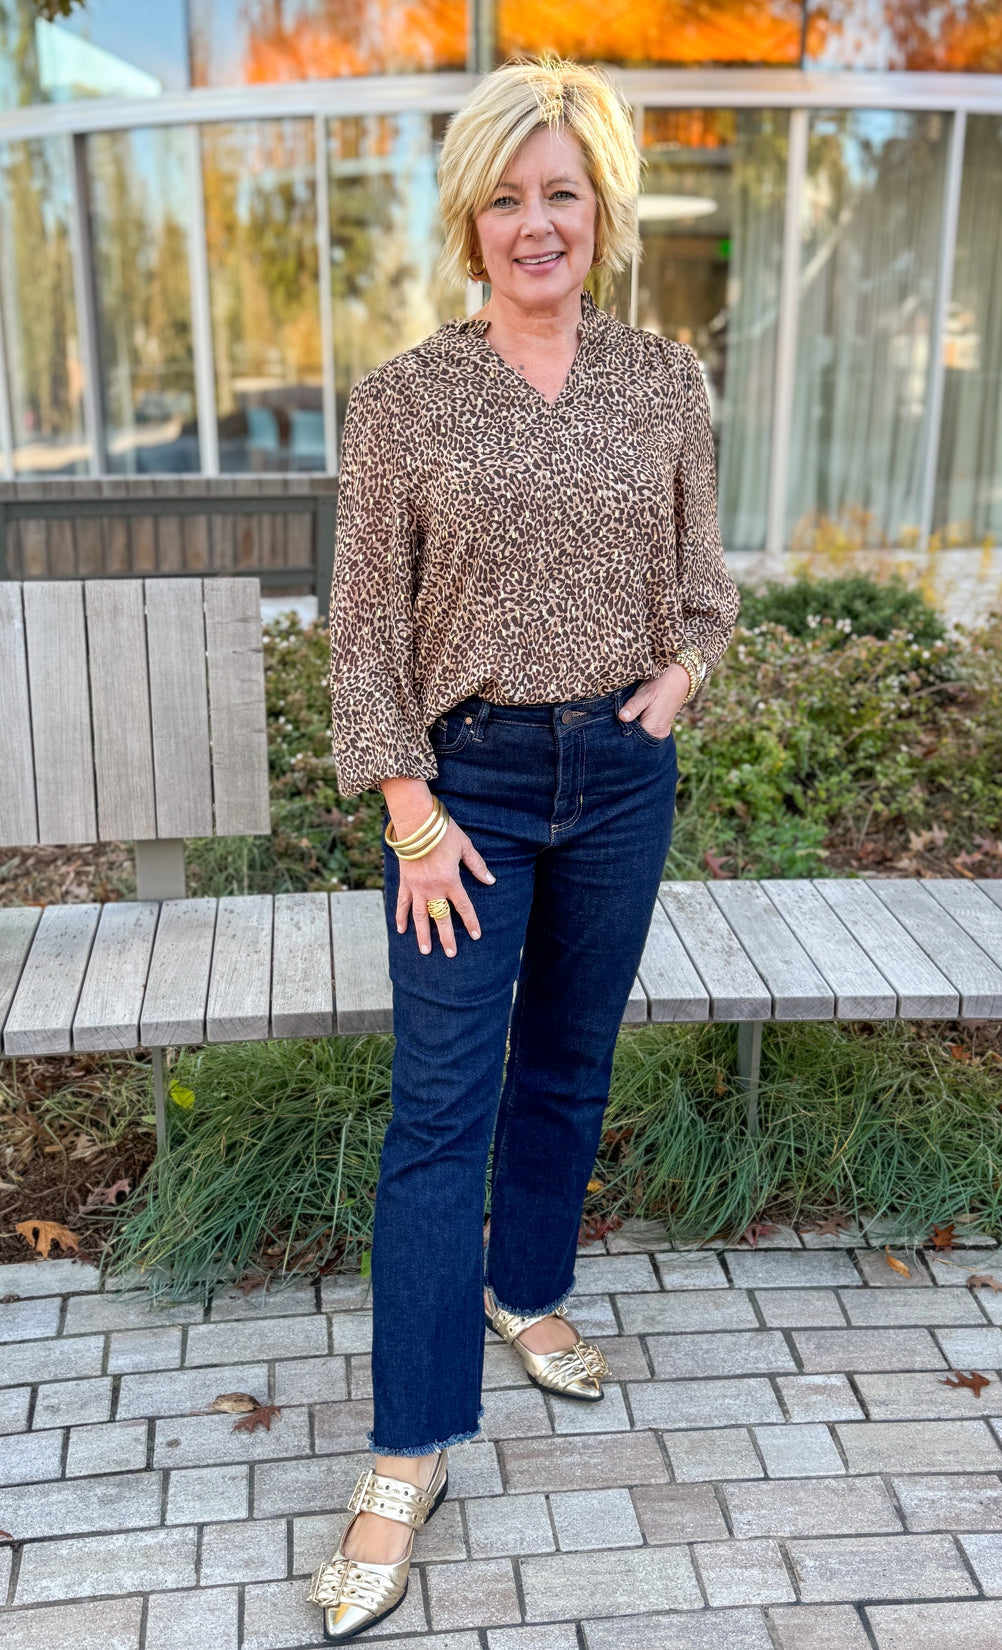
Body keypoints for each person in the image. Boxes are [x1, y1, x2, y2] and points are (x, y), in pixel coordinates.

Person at [310, 55, 740, 1642]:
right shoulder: (408, 398)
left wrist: (683, 675)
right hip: (466, 794)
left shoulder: (664, 383)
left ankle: (530, 1288)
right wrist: (410, 812)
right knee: (440, 1114)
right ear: (469, 217)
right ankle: (405, 1451)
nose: (536, 220)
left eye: (563, 191)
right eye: (508, 193)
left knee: (569, 1059)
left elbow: (706, 586)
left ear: (603, 212)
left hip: (620, 776)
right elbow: (362, 641)